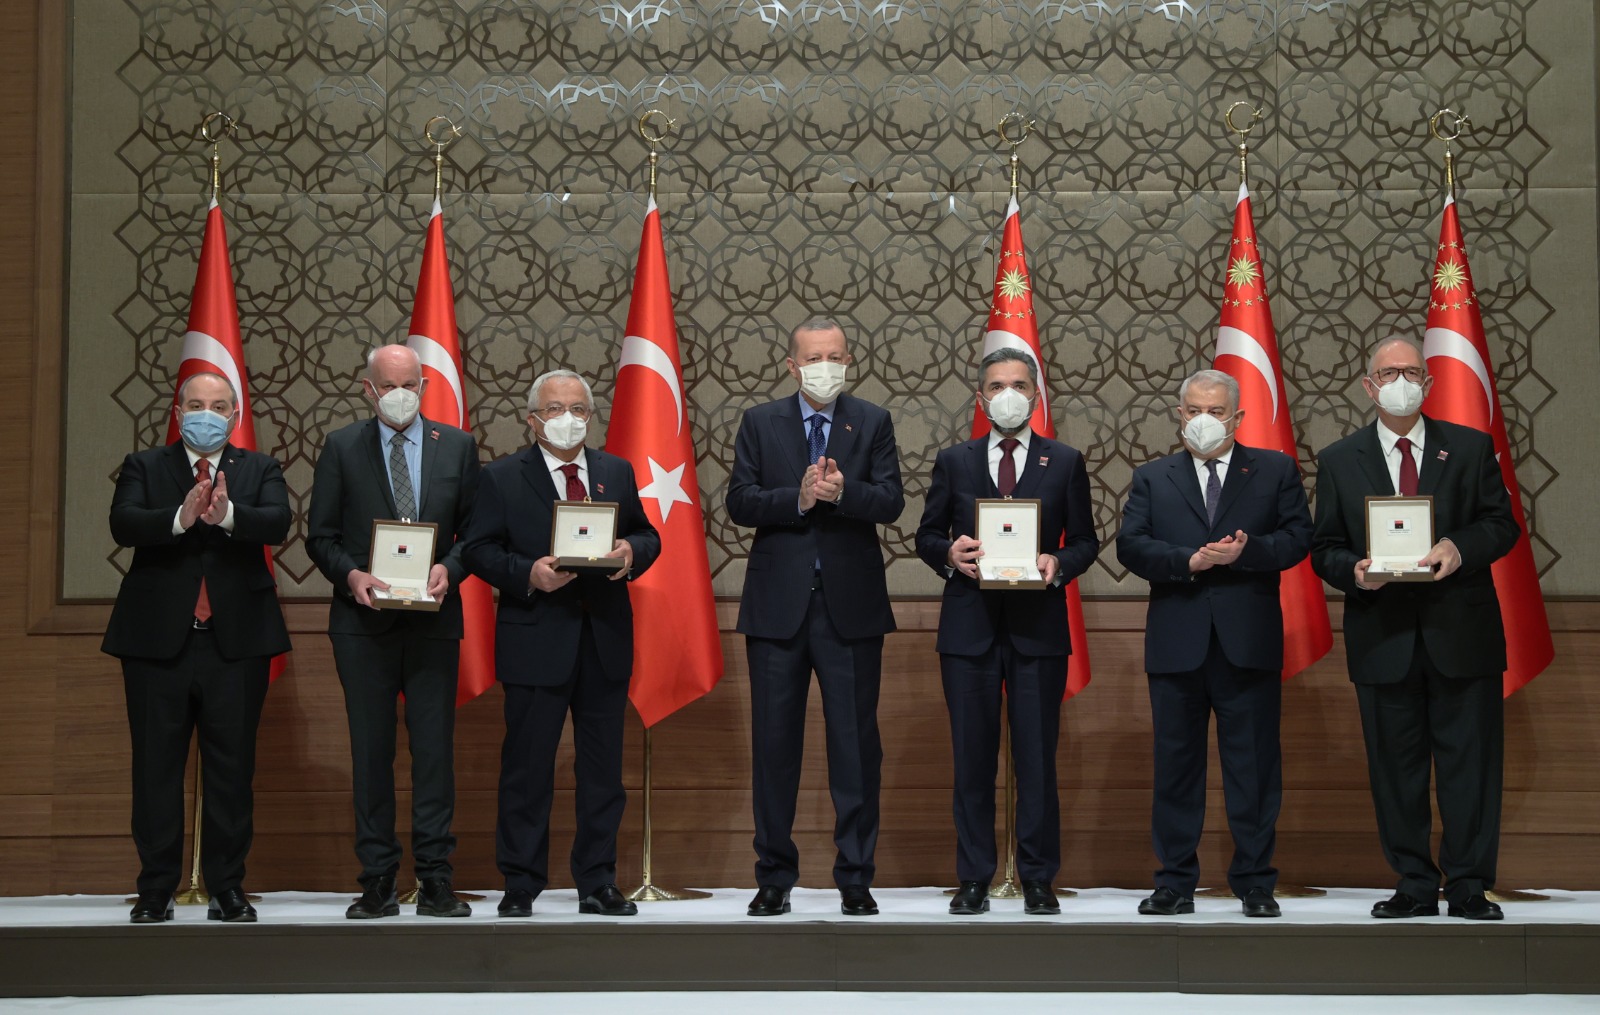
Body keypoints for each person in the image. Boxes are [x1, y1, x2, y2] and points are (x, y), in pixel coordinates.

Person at [1311, 336, 1519, 921]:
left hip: (1463, 633)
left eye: (1410, 371)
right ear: (1368, 386)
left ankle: (1471, 884)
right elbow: (1322, 545)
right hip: (1384, 636)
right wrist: (1353, 571)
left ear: (1427, 384)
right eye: (1388, 372)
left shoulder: (1472, 447)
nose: (1399, 381)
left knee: (1470, 765)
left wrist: (1459, 546)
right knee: (1395, 768)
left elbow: (1502, 526)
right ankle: (1414, 883)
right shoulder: (1338, 459)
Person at [460, 369, 660, 918]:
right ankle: (521, 882)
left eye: (577, 409)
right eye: (553, 409)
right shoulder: (501, 477)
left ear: (590, 416)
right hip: (535, 640)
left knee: (602, 774)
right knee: (527, 770)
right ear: (531, 418)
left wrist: (630, 553)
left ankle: (597, 882)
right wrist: (529, 574)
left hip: (604, 641)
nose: (566, 418)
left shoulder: (615, 471)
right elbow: (477, 549)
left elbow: (648, 534)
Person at [1115, 368, 1313, 919]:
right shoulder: (1154, 476)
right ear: (1180, 415)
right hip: (1177, 645)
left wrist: (1245, 552)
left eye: (1217, 411)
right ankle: (1174, 882)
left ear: (1238, 417)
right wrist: (1189, 561)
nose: (1205, 420)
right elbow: (1130, 546)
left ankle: (1254, 883)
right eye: (1195, 410)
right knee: (1176, 767)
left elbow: (1300, 538)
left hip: (1248, 643)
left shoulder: (1273, 470)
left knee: (1252, 768)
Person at [726, 318, 905, 917]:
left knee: (855, 748)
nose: (825, 365)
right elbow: (739, 502)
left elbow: (891, 500)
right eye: (813, 357)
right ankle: (774, 876)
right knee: (775, 747)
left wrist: (842, 493)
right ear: (791, 365)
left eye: (835, 355)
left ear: (849, 359)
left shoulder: (872, 421)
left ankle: (855, 876)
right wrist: (799, 499)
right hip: (777, 610)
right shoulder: (760, 422)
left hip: (850, 609)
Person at [914, 347, 1097, 916]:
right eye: (997, 385)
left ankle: (1039, 877)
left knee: (1037, 758)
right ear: (981, 398)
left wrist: (1058, 564)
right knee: (972, 759)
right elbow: (924, 535)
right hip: (969, 629)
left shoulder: (1064, 461)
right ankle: (974, 878)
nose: (1008, 394)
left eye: (1019, 383)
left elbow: (1087, 541)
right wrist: (950, 552)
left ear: (1036, 395)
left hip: (1038, 628)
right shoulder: (953, 460)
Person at [103, 371, 291, 924]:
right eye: (195, 404)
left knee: (232, 771)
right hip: (157, 642)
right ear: (179, 412)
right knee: (155, 768)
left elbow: (277, 522)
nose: (206, 413)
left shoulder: (258, 468)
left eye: (218, 405)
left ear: (234, 416)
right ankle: (155, 888)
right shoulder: (146, 465)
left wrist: (227, 515)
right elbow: (123, 523)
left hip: (237, 644)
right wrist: (181, 518)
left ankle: (226, 887)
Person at [306, 344, 481, 919]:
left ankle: (435, 879)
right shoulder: (341, 448)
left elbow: (475, 534)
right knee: (371, 753)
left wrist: (449, 570)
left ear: (425, 385)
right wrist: (351, 574)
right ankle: (377, 880)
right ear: (367, 388)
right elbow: (320, 536)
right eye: (388, 386)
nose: (399, 394)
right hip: (363, 623)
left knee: (433, 755)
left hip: (433, 622)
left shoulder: (455, 446)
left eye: (409, 383)